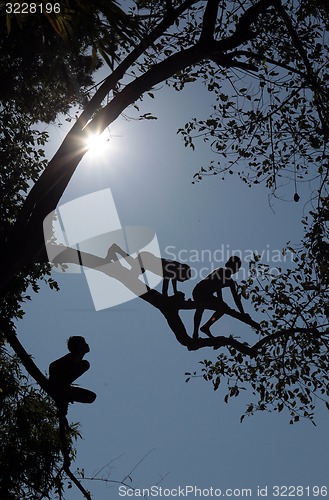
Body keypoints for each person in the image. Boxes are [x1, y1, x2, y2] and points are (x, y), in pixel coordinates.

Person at [192, 256, 251, 339]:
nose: (236, 269)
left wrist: (242, 313)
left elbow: (236, 298)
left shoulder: (230, 282)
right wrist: (220, 302)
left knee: (223, 308)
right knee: (201, 307)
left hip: (208, 295)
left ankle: (206, 327)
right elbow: (217, 286)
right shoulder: (220, 270)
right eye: (236, 267)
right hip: (199, 291)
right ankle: (195, 333)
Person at [49, 336, 96, 415]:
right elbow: (53, 367)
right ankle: (63, 396)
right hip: (57, 384)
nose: (87, 344)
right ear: (79, 346)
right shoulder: (71, 357)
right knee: (85, 364)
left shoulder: (76, 360)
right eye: (84, 343)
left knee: (91, 397)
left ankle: (64, 398)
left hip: (62, 387)